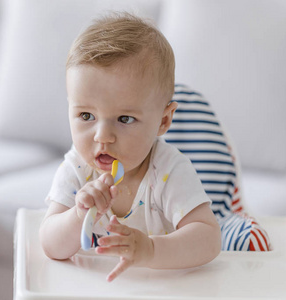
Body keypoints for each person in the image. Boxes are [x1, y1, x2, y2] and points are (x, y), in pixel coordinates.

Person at [39, 12, 221, 282]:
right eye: (86, 116)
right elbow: (51, 245)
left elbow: (209, 238)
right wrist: (78, 214)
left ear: (163, 120)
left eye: (125, 119)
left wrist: (151, 250)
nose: (103, 136)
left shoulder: (167, 171)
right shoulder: (77, 168)